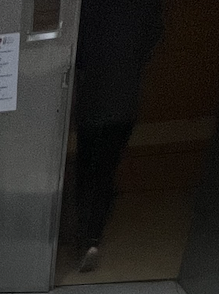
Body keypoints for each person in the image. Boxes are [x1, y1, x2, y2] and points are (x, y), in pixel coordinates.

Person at [73, 0, 163, 273]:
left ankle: (80, 231)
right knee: (106, 169)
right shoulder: (146, 7)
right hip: (125, 95)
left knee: (85, 164)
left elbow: (78, 47)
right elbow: (152, 40)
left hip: (92, 94)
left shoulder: (89, 5)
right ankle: (92, 238)